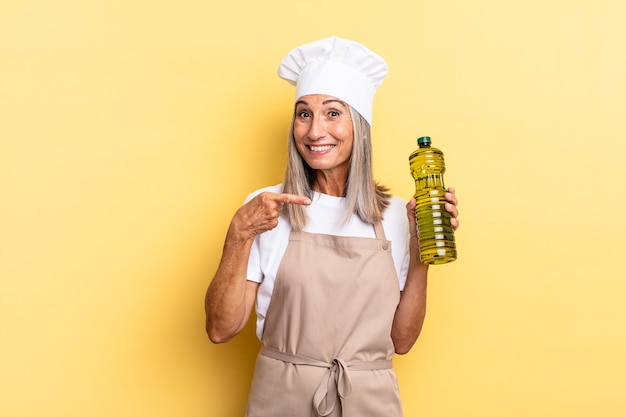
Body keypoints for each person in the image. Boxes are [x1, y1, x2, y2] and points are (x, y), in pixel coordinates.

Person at [205, 36, 459, 417]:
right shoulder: (266, 209)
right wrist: (237, 235)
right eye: (304, 114)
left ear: (360, 125)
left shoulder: (394, 215)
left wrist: (423, 253)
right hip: (281, 401)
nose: (314, 131)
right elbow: (220, 330)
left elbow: (401, 341)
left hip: (369, 402)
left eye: (333, 113)